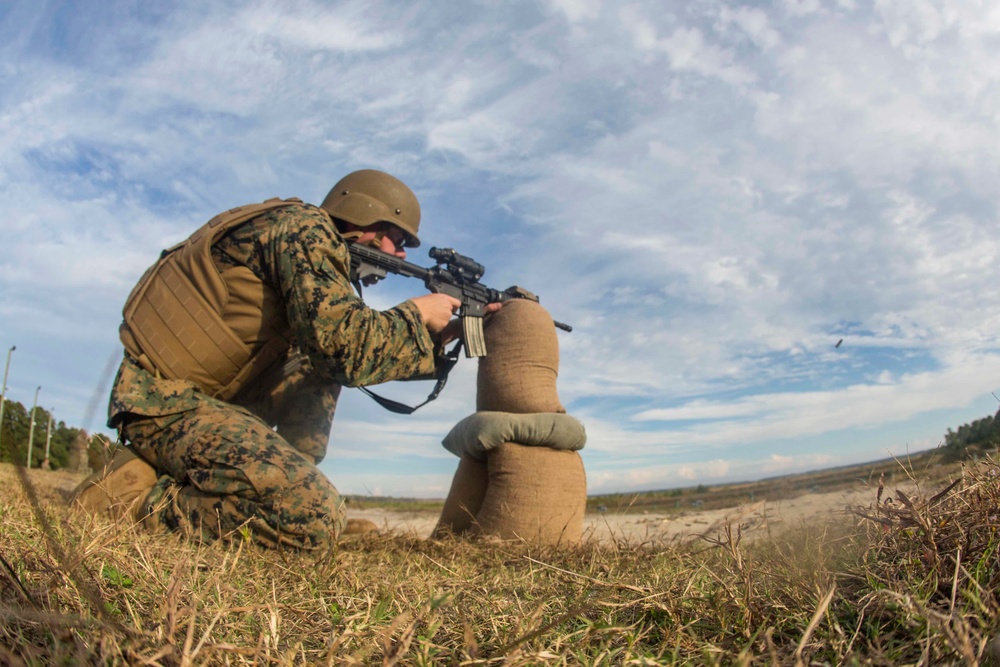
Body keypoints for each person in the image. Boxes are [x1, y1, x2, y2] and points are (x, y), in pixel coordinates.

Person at [71, 169, 477, 550]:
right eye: (398, 241)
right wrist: (415, 314)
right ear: (367, 218)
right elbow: (345, 350)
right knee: (312, 515)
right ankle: (132, 502)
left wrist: (434, 339)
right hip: (162, 405)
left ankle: (281, 492)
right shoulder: (305, 228)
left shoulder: (307, 244)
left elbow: (343, 350)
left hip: (206, 403)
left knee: (316, 365)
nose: (402, 256)